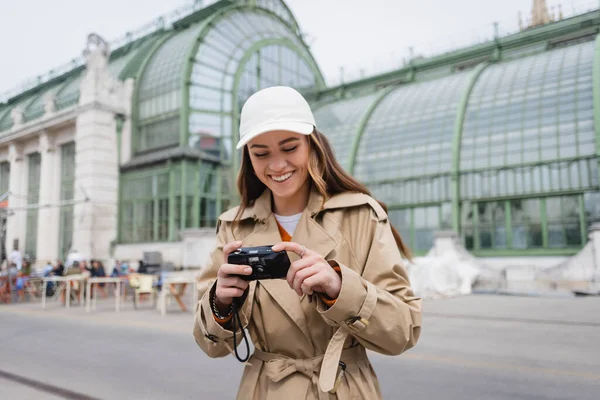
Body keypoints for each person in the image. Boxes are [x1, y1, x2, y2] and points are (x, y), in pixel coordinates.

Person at [193, 86, 422, 399]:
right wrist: (221, 304)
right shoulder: (234, 226)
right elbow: (209, 344)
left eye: (289, 148)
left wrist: (340, 288)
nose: (276, 165)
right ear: (248, 157)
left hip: (343, 389)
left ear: (313, 146)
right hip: (264, 390)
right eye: (261, 153)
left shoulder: (360, 216)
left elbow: (403, 331)